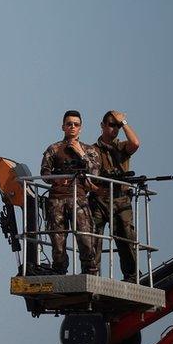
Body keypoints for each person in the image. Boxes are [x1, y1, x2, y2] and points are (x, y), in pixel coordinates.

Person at [39, 110, 102, 275]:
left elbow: (95, 173)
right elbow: (44, 173)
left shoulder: (89, 149)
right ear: (63, 127)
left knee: (85, 239)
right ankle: (59, 272)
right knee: (58, 244)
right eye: (69, 124)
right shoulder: (54, 148)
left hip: (79, 198)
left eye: (76, 124)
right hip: (57, 200)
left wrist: (81, 153)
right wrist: (57, 179)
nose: (72, 127)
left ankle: (89, 272)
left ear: (80, 128)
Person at [92, 110, 141, 281]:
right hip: (99, 199)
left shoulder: (121, 147)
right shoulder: (92, 150)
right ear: (102, 126)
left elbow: (135, 143)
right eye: (111, 125)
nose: (115, 129)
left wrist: (124, 123)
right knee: (94, 238)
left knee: (126, 237)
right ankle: (93, 275)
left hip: (120, 199)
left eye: (117, 126)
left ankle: (132, 275)